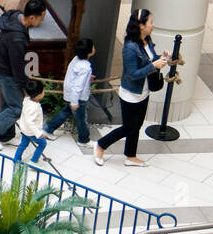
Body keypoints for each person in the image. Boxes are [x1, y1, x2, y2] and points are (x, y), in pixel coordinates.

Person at [95, 9, 171, 169]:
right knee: (129, 127)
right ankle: (101, 144)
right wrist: (153, 66)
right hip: (131, 94)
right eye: (150, 22)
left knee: (137, 125)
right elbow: (132, 74)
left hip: (144, 92)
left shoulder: (147, 40)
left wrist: (161, 58)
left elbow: (150, 59)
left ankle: (130, 156)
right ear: (141, 25)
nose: (153, 24)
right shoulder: (130, 47)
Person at [0, 0, 48, 150]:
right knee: (17, 108)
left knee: (8, 103)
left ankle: (5, 135)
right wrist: (26, 87)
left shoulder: (15, 16)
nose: (41, 22)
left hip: (0, 66)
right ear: (32, 17)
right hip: (6, 73)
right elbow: (17, 67)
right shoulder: (17, 38)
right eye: (41, 18)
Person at [44, 38, 96, 147]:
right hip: (78, 98)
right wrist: (75, 102)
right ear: (89, 52)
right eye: (93, 47)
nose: (94, 48)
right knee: (81, 119)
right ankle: (83, 140)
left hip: (69, 93)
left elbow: (74, 76)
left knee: (65, 112)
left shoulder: (76, 59)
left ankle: (48, 129)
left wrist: (87, 79)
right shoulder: (85, 67)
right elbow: (78, 86)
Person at [14, 79, 49, 166]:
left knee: (23, 144)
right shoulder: (34, 107)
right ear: (39, 95)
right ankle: (34, 161)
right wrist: (38, 133)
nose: (44, 91)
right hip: (31, 132)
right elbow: (30, 122)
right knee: (43, 144)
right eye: (43, 90)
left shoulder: (26, 99)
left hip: (24, 129)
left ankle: (16, 159)